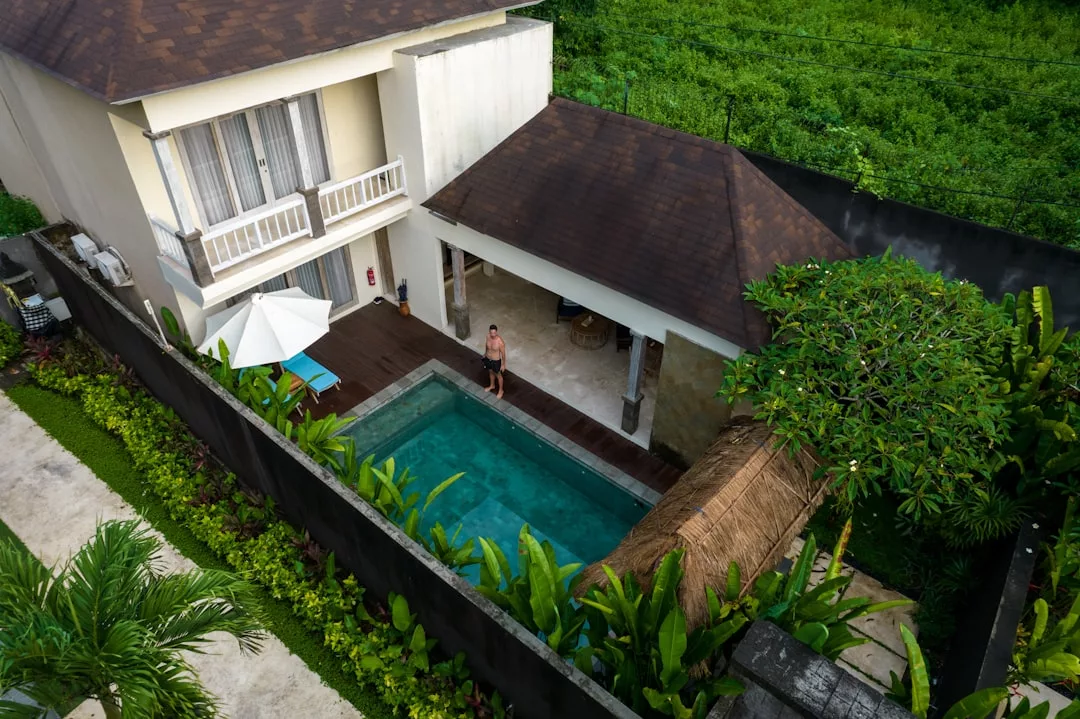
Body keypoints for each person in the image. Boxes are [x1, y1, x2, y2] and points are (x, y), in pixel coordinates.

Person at [482, 324, 507, 398]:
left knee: (498, 375)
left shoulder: (500, 342)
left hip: (496, 361)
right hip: (488, 358)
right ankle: (492, 385)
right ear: (489, 332)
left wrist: (503, 364)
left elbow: (503, 354)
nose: (493, 335)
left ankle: (501, 390)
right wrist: (485, 353)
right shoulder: (487, 336)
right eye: (491, 333)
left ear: (496, 332)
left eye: (494, 333)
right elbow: (486, 346)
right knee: (490, 371)